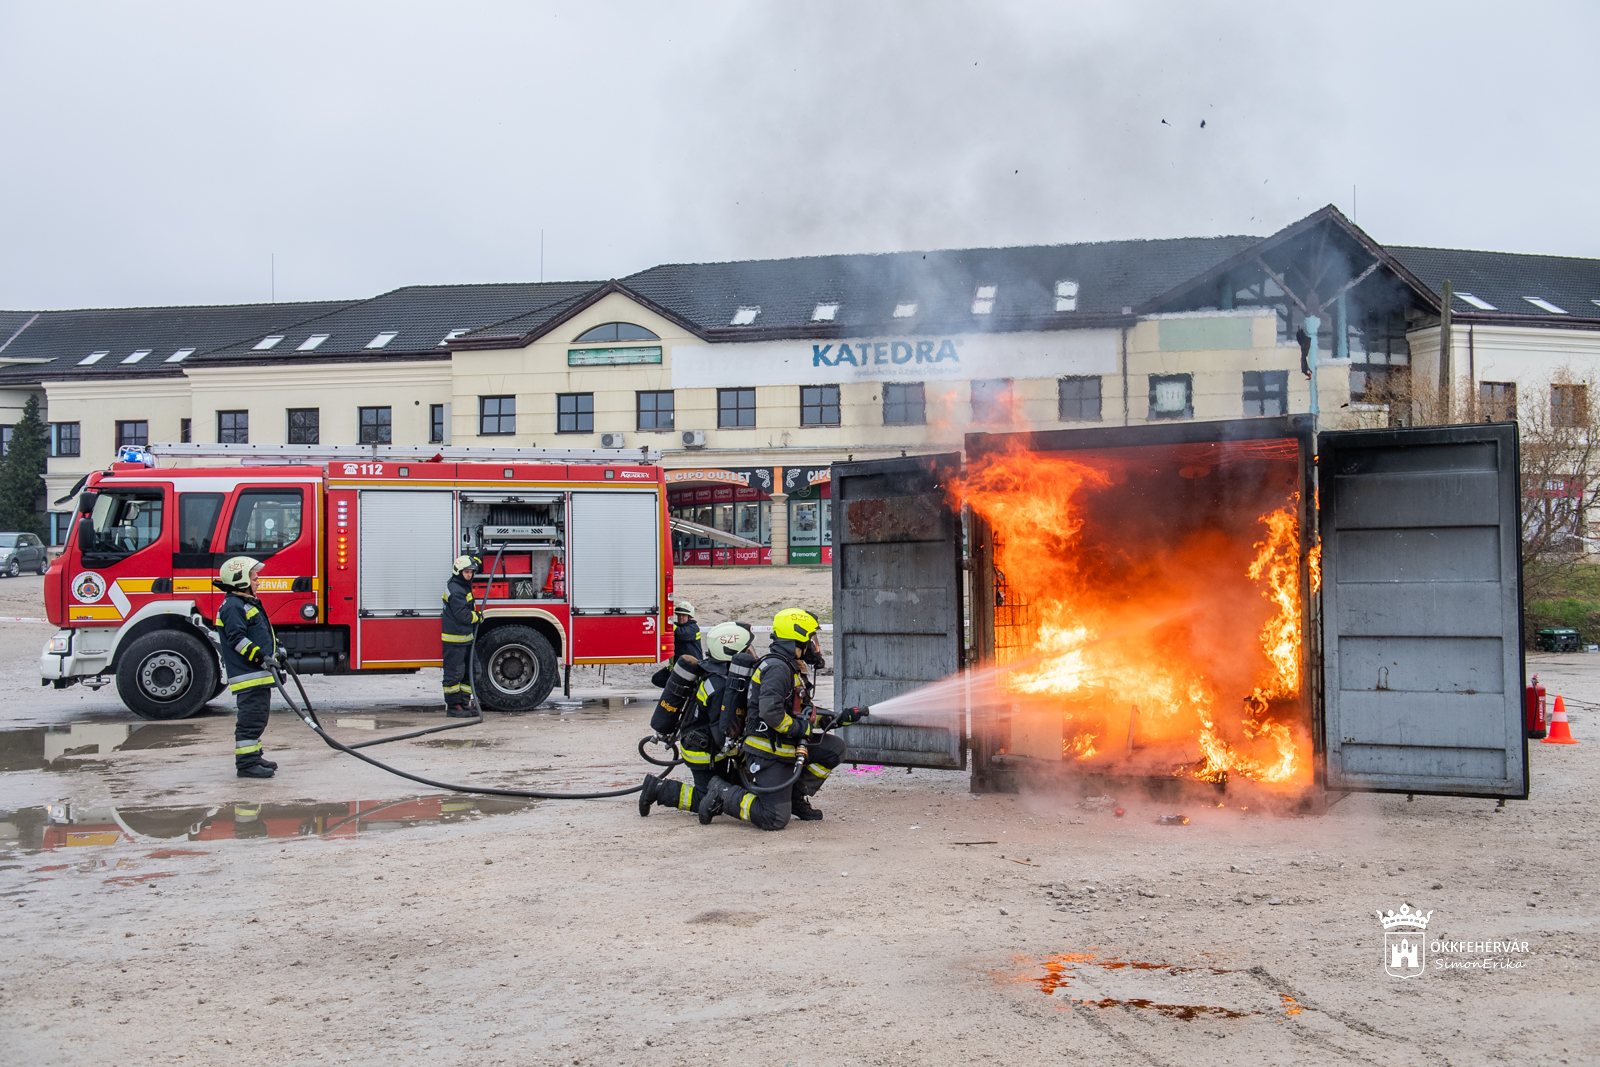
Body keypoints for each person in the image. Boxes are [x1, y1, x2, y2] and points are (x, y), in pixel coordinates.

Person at [697, 608, 864, 829]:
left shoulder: (790, 667)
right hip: (768, 751)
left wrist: (836, 719)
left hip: (785, 745)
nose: (813, 645)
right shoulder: (777, 668)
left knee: (834, 749)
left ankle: (795, 795)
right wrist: (799, 729)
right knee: (773, 818)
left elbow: (801, 713)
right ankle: (722, 792)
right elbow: (771, 712)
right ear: (795, 639)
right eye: (810, 639)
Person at [638, 621, 754, 817]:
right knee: (709, 798)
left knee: (729, 790)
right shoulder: (720, 686)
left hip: (704, 744)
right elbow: (721, 732)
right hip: (702, 750)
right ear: (731, 652)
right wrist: (742, 752)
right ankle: (657, 789)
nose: (752, 655)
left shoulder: (716, 673)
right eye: (747, 650)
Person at [214, 555, 281, 779]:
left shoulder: (244, 603)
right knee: (251, 720)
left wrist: (277, 650)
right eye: (254, 578)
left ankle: (253, 757)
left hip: (257, 675)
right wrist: (263, 657)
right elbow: (237, 640)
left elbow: (260, 633)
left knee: (258, 718)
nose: (258, 581)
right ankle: (246, 765)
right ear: (240, 580)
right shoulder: (233, 606)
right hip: (248, 675)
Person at [441, 555, 483, 717]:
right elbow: (463, 616)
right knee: (455, 674)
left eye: (471, 572)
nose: (469, 575)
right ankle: (453, 707)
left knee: (472, 671)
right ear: (458, 571)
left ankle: (464, 703)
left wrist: (478, 557)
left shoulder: (462, 585)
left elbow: (473, 565)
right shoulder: (456, 590)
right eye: (466, 572)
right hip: (454, 641)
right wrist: (478, 617)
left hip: (465, 639)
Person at [651, 600, 703, 687]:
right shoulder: (677, 627)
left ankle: (686, 691)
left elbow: (681, 633)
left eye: (683, 615)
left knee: (690, 684)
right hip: (678, 667)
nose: (681, 617)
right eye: (679, 615)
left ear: (689, 616)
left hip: (691, 667)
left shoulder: (693, 628)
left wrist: (668, 624)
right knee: (657, 679)